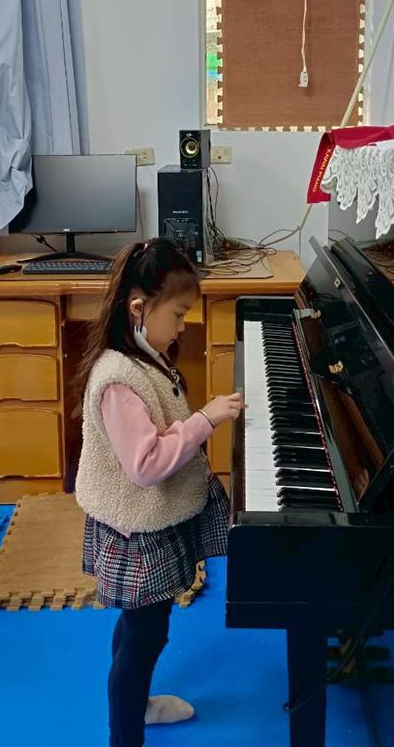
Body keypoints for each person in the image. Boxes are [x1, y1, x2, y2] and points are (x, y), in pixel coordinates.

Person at [75, 238, 246, 747]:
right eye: (178, 314)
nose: (183, 325)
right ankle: (125, 734)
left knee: (141, 628)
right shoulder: (118, 380)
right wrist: (204, 420)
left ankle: (140, 706)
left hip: (150, 521)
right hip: (136, 530)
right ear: (138, 308)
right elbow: (146, 465)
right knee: (144, 636)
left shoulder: (145, 357)